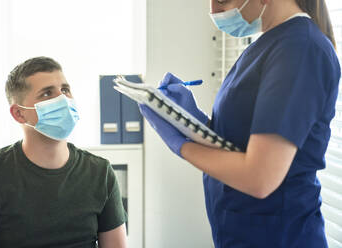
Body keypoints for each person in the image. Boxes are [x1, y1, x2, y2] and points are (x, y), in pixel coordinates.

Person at [139, 0, 341, 247]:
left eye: (222, 0)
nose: (213, 11)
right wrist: (189, 119)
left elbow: (261, 177)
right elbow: (240, 141)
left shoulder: (299, 48)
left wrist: (181, 145)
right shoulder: (268, 43)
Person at [0, 57, 128, 248]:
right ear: (19, 113)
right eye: (46, 94)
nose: (62, 99)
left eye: (65, 90)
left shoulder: (101, 172)